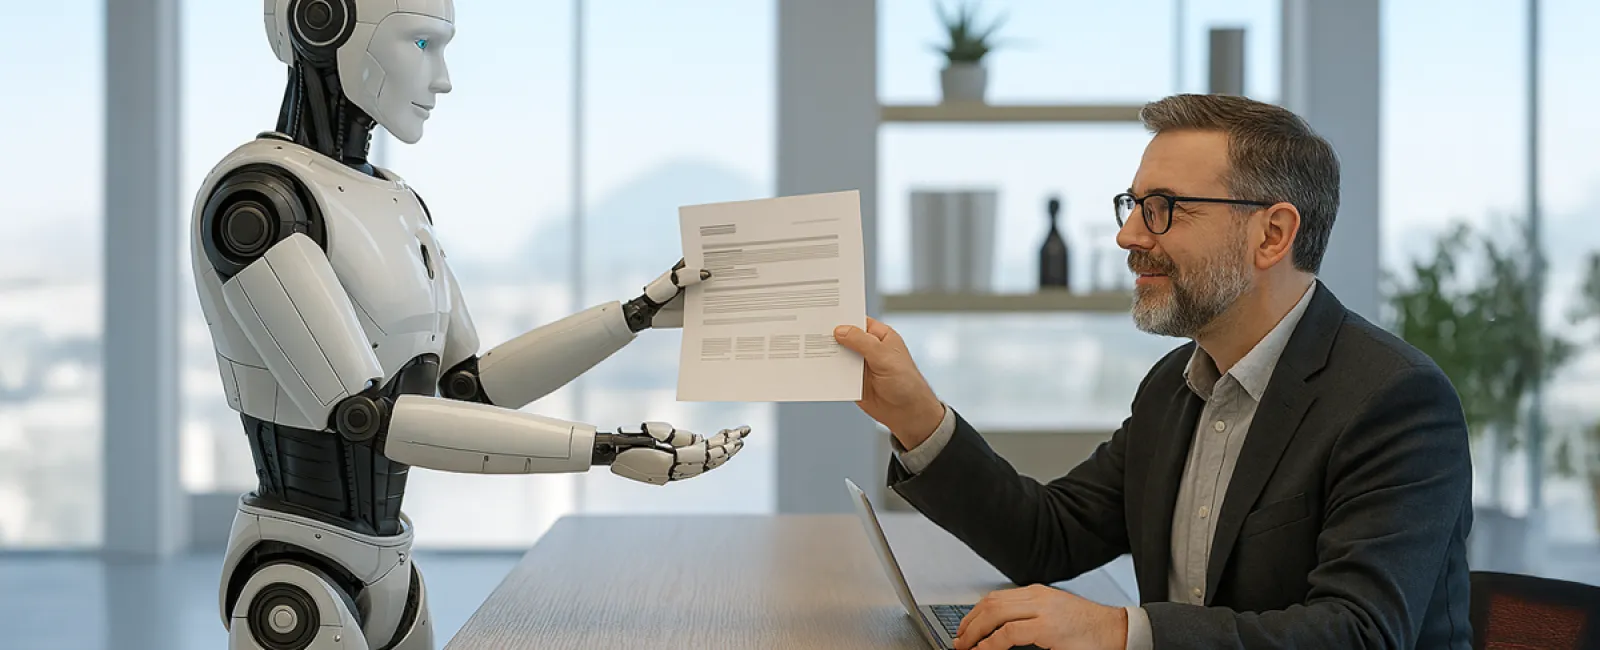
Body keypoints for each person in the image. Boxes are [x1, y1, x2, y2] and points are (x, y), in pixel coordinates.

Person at [833, 93, 1472, 650]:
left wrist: (1118, 632)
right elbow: (1047, 538)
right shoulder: (1175, 386)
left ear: (1273, 235)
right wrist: (914, 415)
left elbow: (1359, 634)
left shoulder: (1394, 400)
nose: (1129, 236)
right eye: (1132, 205)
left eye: (1164, 208)